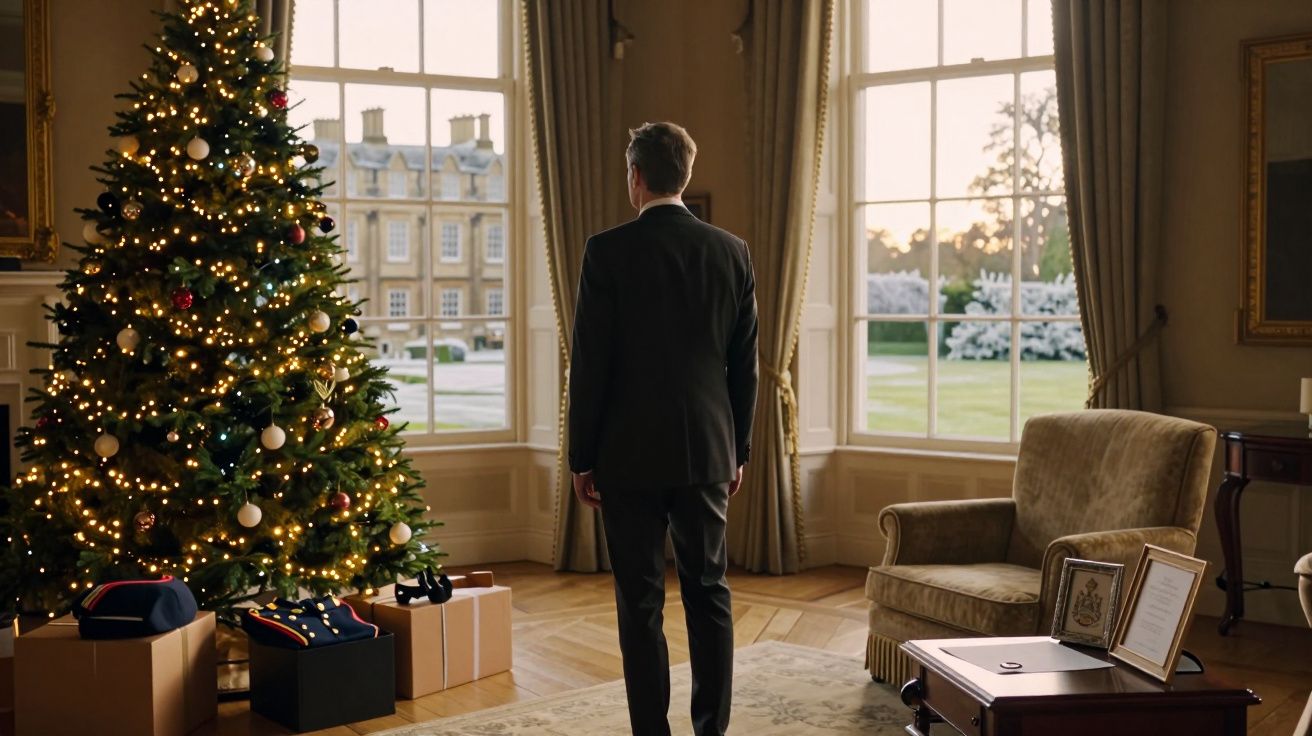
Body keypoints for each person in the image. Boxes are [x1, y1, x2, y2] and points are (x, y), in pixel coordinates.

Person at [568, 121, 759, 736]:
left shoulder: (607, 251)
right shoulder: (733, 252)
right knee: (709, 592)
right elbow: (744, 367)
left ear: (636, 176)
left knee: (640, 603)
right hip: (706, 450)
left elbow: (590, 363)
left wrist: (581, 457)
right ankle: (713, 730)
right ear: (686, 174)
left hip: (626, 456)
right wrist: (737, 450)